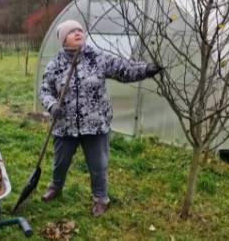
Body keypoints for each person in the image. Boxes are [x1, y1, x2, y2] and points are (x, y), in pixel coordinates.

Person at [39, 19, 161, 216]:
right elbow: (45, 91)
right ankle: (56, 187)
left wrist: (147, 70)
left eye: (80, 30)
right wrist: (52, 106)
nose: (78, 33)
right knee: (60, 162)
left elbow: (124, 70)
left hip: (95, 124)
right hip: (65, 125)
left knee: (98, 165)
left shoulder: (98, 58)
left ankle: (101, 199)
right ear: (63, 40)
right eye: (72, 32)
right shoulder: (55, 64)